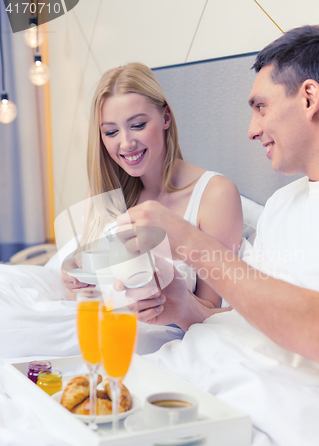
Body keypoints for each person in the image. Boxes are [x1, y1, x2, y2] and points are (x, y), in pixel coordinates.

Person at [115, 26, 319, 369]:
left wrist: (190, 243)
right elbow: (244, 321)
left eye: (261, 107)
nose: (251, 130)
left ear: (309, 99)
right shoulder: (282, 204)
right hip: (201, 371)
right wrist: (183, 307)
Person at [60, 63, 243, 325]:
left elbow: (210, 310)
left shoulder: (215, 196)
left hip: (160, 341)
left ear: (166, 117)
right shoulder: (106, 195)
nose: (125, 143)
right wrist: (76, 282)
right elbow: (83, 299)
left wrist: (170, 299)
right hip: (101, 331)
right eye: (111, 132)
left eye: (137, 125)